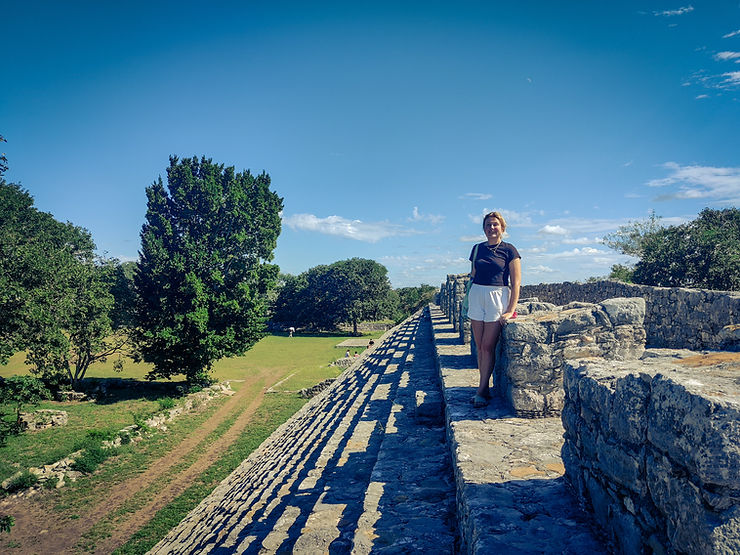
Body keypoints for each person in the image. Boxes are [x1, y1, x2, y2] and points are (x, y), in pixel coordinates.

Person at [467, 211, 521, 408]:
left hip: (497, 296)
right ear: (484, 228)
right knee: (480, 346)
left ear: (502, 228)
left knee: (488, 346)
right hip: (476, 295)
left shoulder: (509, 251)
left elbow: (516, 283)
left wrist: (510, 309)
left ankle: (481, 390)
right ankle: (484, 387)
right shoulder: (477, 249)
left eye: (495, 225)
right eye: (488, 225)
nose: (491, 228)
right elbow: (473, 273)